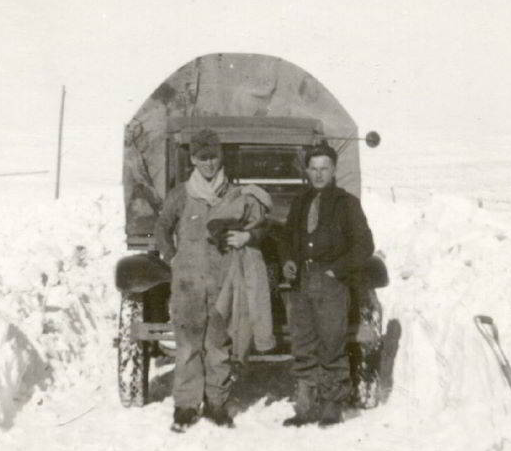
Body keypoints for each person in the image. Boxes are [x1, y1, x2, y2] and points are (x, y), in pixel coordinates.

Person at [154, 128, 265, 432]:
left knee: (218, 344)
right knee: (188, 345)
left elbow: (257, 225)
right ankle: (187, 406)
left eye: (213, 157)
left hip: (222, 283)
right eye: (202, 158)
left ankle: (217, 403)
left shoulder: (233, 193)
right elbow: (162, 226)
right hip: (187, 285)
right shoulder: (180, 195)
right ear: (192, 159)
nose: (208, 164)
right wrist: (170, 255)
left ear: (220, 157)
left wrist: (247, 236)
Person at [280, 142, 374, 428]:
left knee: (331, 343)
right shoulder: (299, 202)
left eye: (325, 168)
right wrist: (288, 261)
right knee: (303, 342)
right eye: (314, 168)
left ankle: (332, 404)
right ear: (307, 171)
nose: (319, 174)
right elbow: (286, 238)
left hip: (331, 283)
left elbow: (365, 245)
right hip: (302, 282)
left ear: (333, 170)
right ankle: (305, 407)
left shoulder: (347, 203)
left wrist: (337, 271)